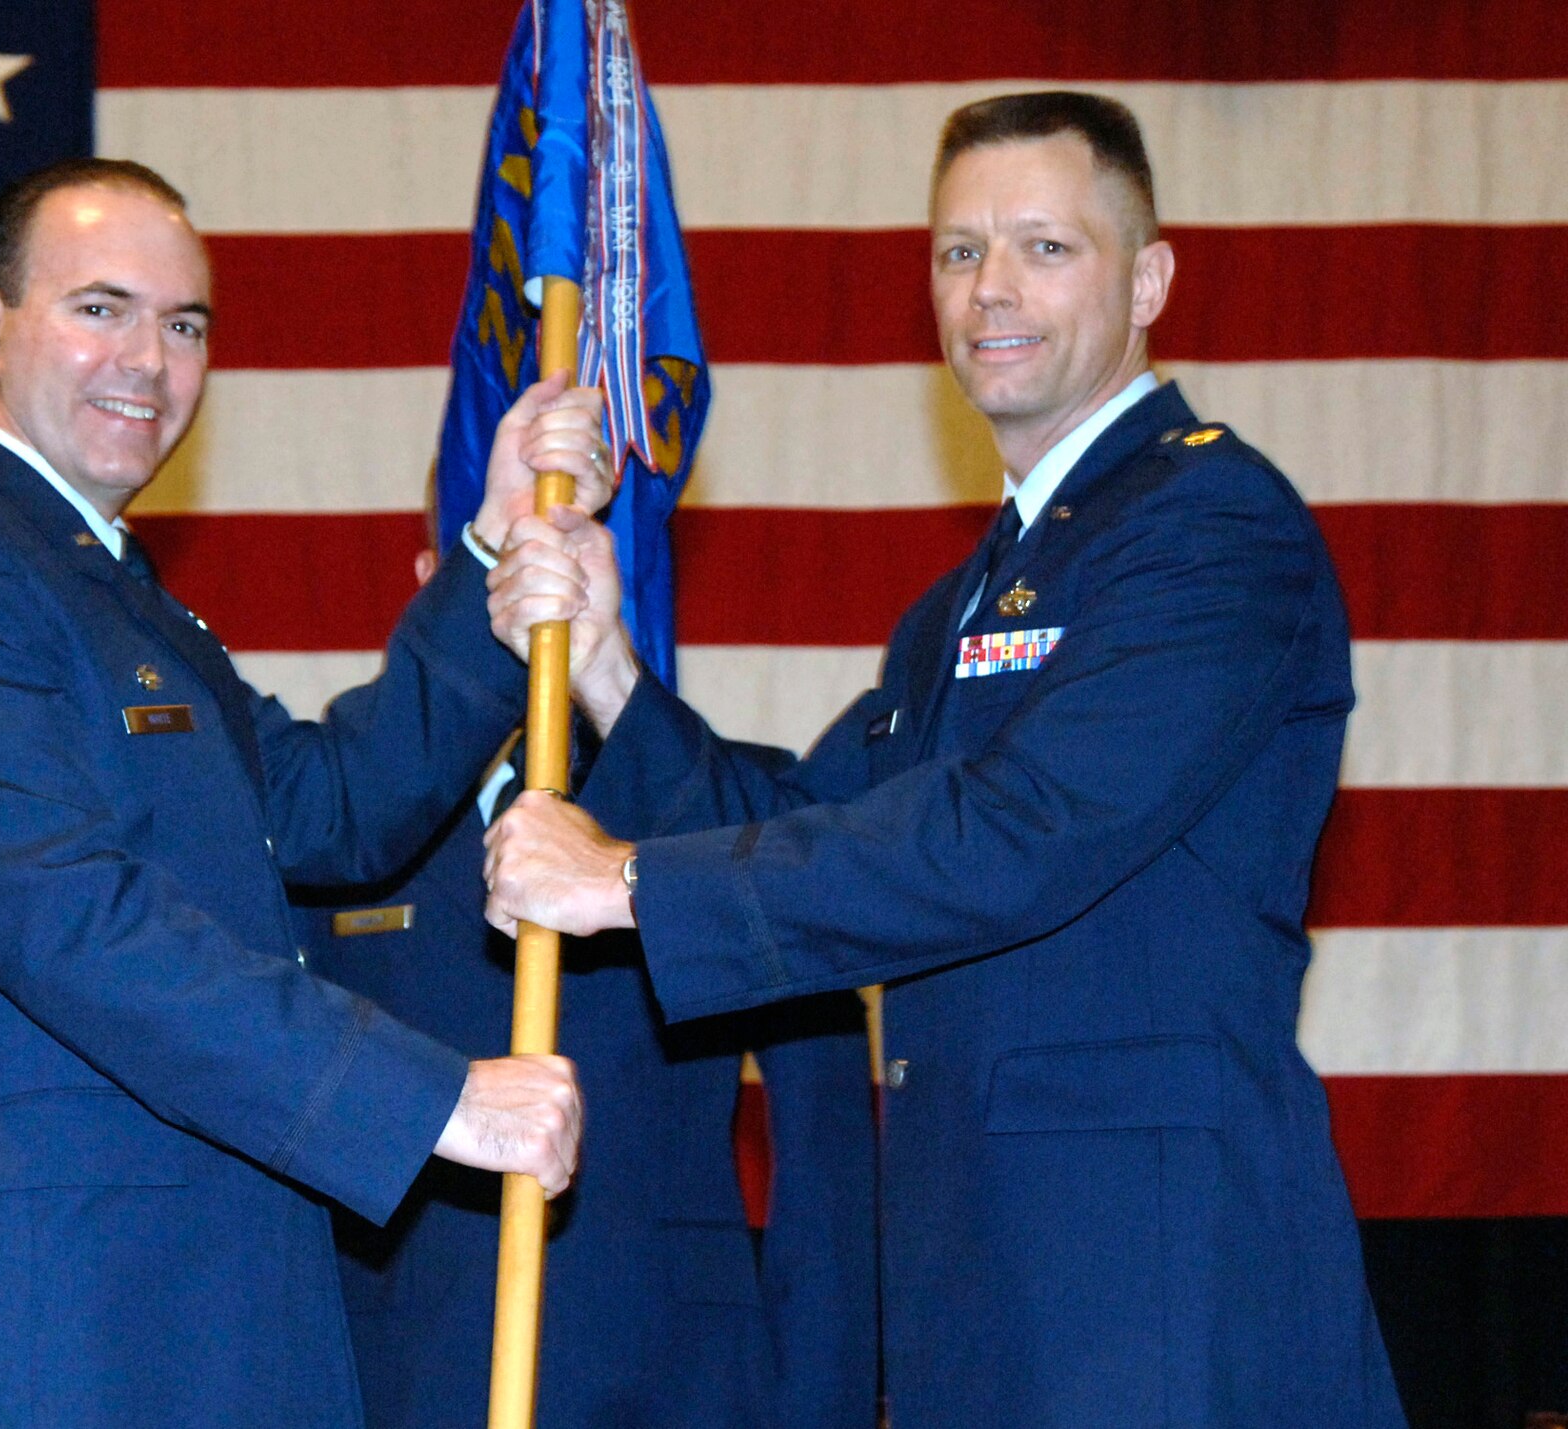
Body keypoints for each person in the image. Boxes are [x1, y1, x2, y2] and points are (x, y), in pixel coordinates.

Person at [480, 93, 1407, 1425]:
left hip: (1154, 1292)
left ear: (1149, 279)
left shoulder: (1210, 527)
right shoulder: (969, 602)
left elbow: (1016, 834)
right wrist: (616, 666)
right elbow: (808, 817)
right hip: (972, 1294)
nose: (991, 291)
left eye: (1045, 247)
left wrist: (625, 883)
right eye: (959, 252)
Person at [0, 157, 606, 1428]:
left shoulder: (106, 593)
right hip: (39, 1334)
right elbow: (75, 924)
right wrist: (430, 1097)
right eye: (99, 308)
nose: (148, 361)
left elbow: (329, 805)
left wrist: (492, 544)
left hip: (206, 1321)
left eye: (183, 325)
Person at [292, 545, 878, 1429]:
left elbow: (822, 1140)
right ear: (433, 585)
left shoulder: (715, 805)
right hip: (404, 1383)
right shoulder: (337, 825)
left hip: (676, 1383)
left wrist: (818, 1402)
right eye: (506, 562)